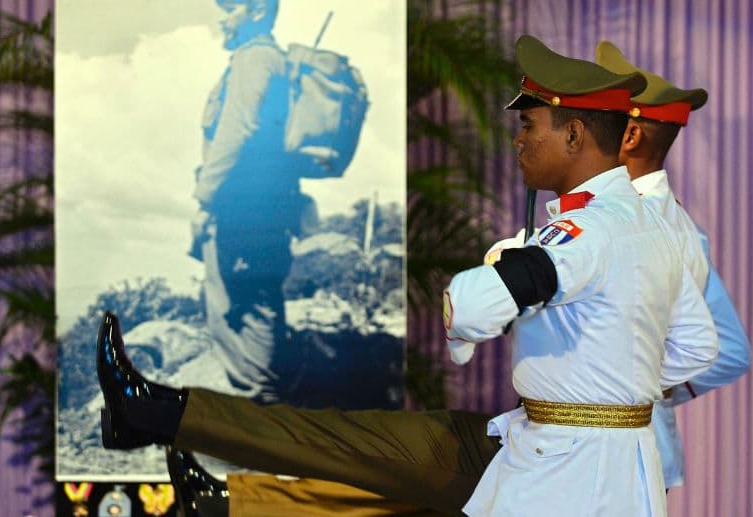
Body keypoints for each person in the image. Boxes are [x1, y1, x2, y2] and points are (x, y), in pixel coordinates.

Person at [97, 35, 717, 516]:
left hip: (565, 472)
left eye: (529, 125)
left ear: (575, 133)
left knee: (360, 449)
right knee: (365, 446)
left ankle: (170, 427)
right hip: (550, 439)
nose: (518, 141)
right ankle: (167, 422)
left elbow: (478, 304)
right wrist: (613, 379)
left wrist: (482, 292)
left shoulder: (585, 231)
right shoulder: (665, 225)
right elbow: (696, 347)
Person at [595, 40, 752, 490]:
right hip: (627, 454)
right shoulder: (670, 220)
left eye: (599, 119)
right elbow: (732, 350)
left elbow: (727, 352)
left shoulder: (643, 224)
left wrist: (643, 383)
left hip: (620, 458)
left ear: (630, 135)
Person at [191, 0, 311, 402]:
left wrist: (205, 196)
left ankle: (261, 410)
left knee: (246, 303)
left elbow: (235, 131)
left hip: (245, 209)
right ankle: (262, 404)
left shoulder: (255, 58)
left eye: (232, 9)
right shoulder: (265, 60)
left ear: (257, 13)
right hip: (260, 206)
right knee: (253, 298)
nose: (224, 18)